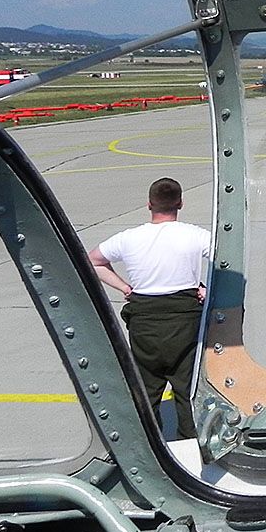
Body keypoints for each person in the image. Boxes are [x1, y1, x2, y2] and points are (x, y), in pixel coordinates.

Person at [87, 177, 211, 440]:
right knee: (188, 389)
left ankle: (150, 443)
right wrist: (208, 290)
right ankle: (190, 443)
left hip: (144, 322)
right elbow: (226, 259)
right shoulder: (196, 235)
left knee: (147, 389)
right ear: (180, 204)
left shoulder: (128, 238)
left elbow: (93, 261)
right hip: (184, 321)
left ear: (149, 205)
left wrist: (124, 287)